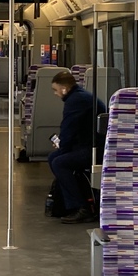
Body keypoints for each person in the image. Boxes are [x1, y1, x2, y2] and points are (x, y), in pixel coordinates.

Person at [47, 70, 98, 224]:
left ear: (64, 89)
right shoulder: (80, 96)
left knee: (59, 162)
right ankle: (67, 201)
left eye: (56, 90)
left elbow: (68, 128)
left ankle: (81, 207)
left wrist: (62, 148)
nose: (55, 94)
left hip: (94, 149)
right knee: (54, 158)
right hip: (89, 144)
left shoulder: (75, 101)